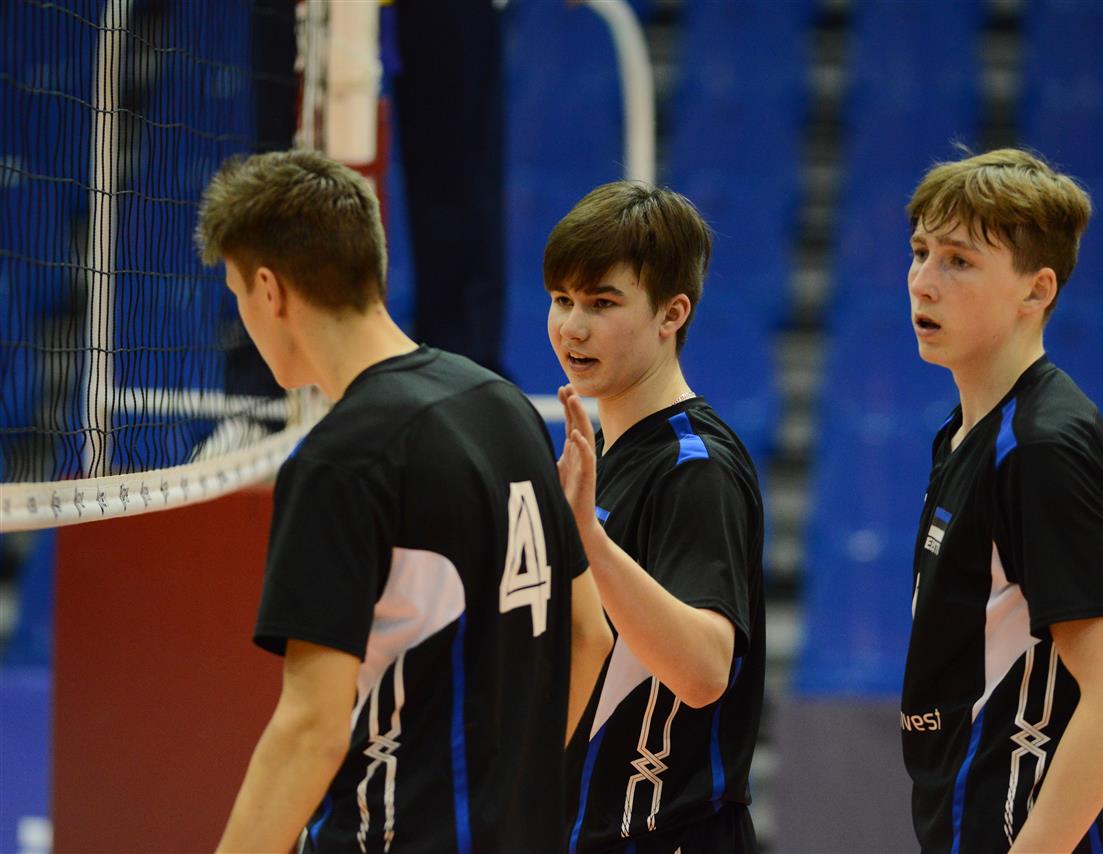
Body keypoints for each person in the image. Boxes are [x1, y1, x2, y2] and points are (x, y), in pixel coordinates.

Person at [195, 149, 613, 852]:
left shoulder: (341, 461)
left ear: (269, 290)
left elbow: (310, 730)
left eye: (237, 292)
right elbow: (590, 636)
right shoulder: (503, 405)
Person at [899, 148, 1103, 853]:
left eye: (958, 261)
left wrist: (1100, 725)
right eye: (921, 252)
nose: (923, 282)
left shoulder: (1036, 446)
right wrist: (1085, 737)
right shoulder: (970, 433)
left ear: (1036, 290)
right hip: (974, 811)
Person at [547, 182, 766, 853]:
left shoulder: (695, 469)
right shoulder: (602, 453)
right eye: (562, 299)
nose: (573, 327)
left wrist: (587, 539)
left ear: (672, 313)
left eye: (602, 303)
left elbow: (704, 671)